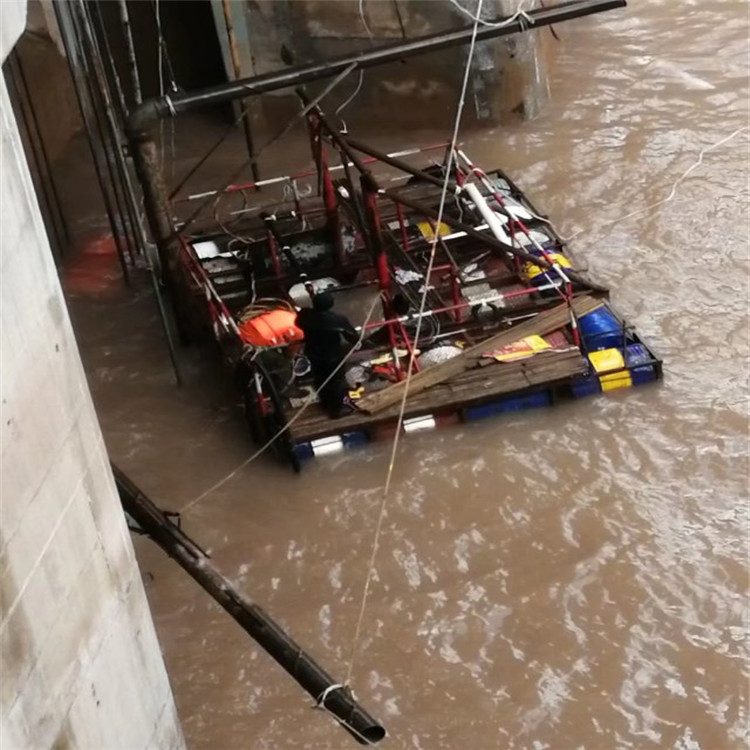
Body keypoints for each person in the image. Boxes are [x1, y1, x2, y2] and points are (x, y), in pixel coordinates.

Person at [295, 292, 360, 418]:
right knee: (337, 381)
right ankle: (336, 410)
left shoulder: (305, 316)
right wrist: (357, 342)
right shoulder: (337, 319)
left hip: (313, 354)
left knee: (320, 379)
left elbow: (299, 323)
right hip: (332, 356)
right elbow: (352, 336)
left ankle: (324, 403)